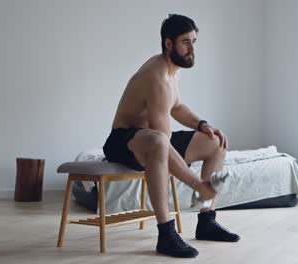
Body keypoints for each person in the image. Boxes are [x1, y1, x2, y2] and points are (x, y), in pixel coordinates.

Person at [103, 14, 240, 258]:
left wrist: (202, 124)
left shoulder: (172, 71)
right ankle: (166, 234)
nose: (192, 49)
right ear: (169, 44)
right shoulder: (157, 78)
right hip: (123, 141)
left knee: (216, 142)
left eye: (194, 42)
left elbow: (176, 106)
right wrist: (198, 185)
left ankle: (206, 221)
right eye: (185, 42)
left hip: (152, 137)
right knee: (158, 141)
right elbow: (162, 142)